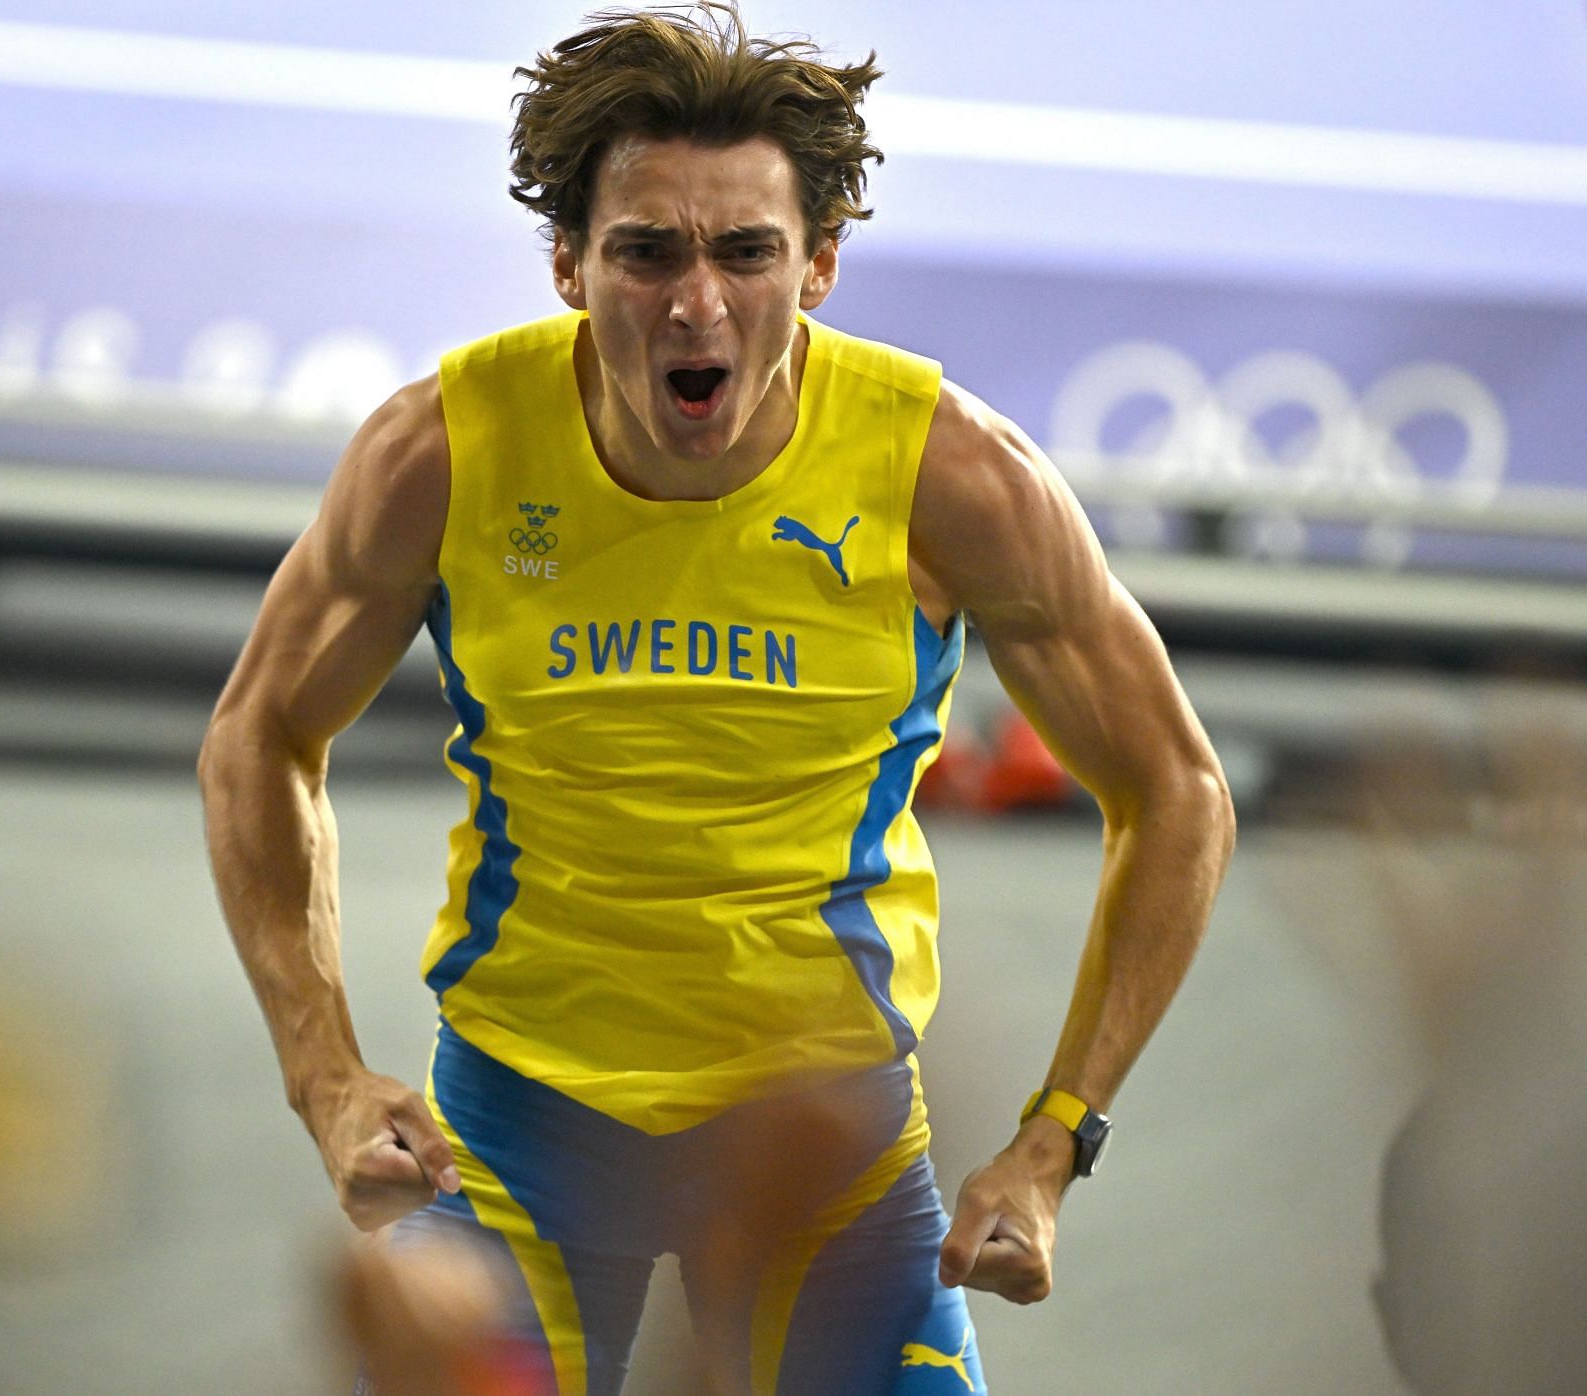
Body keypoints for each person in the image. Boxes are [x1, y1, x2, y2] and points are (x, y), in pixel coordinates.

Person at [199, 6, 1235, 1393]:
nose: (699, 305)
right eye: (647, 252)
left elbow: (1177, 790)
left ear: (818, 264)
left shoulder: (953, 478)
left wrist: (1056, 1137)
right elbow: (257, 737)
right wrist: (325, 1077)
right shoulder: (439, 454)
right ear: (569, 262)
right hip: (522, 1138)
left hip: (832, 1147)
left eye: (747, 252)